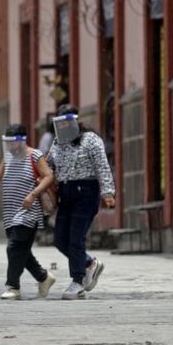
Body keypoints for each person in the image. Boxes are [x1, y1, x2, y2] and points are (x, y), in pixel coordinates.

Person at [0, 124, 57, 300]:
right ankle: (43, 277)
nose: (11, 146)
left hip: (29, 211)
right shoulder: (8, 157)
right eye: (7, 142)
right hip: (10, 212)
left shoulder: (35, 155)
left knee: (14, 247)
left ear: (22, 140)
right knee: (22, 250)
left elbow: (48, 176)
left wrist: (33, 195)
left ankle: (13, 287)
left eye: (13, 142)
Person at [48, 104, 117, 300]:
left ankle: (77, 282)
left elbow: (102, 166)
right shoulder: (57, 143)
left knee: (76, 238)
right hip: (66, 192)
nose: (63, 127)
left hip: (86, 192)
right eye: (59, 124)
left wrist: (108, 192)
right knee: (61, 239)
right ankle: (88, 263)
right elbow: (48, 165)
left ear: (75, 121)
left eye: (66, 122)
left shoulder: (91, 140)